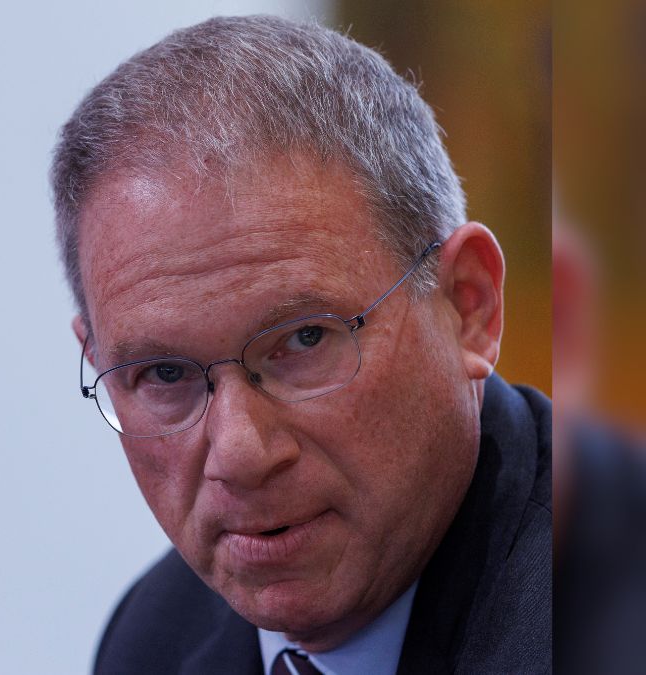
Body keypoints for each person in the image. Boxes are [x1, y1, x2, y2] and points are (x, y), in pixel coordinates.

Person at [49, 16, 550, 674]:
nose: (240, 454)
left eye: (305, 338)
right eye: (164, 373)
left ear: (467, 304)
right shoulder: (154, 639)